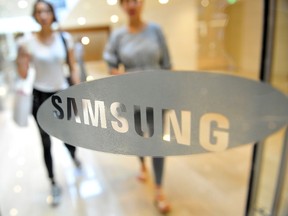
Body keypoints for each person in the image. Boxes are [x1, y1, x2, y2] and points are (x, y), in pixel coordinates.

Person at [103, 0, 172, 213]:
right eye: (126, 1)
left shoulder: (155, 30)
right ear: (122, 5)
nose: (131, 4)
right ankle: (142, 164)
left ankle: (159, 189)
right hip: (132, 97)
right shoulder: (118, 36)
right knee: (138, 137)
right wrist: (119, 74)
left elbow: (167, 64)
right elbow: (110, 64)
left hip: (157, 95)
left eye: (136, 0)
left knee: (157, 143)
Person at [16, 0, 81, 206]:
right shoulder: (27, 42)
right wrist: (20, 58)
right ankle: (53, 181)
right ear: (35, 16)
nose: (43, 15)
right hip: (40, 97)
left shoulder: (64, 38)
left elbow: (73, 66)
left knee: (67, 134)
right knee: (45, 142)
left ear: (53, 14)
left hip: (62, 94)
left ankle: (73, 154)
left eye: (47, 10)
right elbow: (23, 73)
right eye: (39, 11)